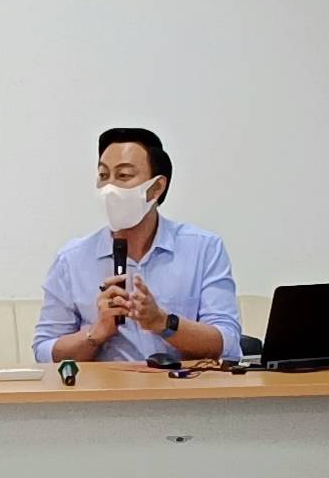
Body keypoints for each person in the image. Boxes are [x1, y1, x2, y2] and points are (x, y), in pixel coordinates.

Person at [32, 128, 242, 363]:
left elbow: (228, 343)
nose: (109, 188)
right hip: (105, 386)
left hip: (180, 384)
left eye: (123, 176)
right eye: (103, 175)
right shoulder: (72, 259)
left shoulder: (204, 249)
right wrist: (95, 334)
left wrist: (163, 322)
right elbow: (44, 352)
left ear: (157, 187)